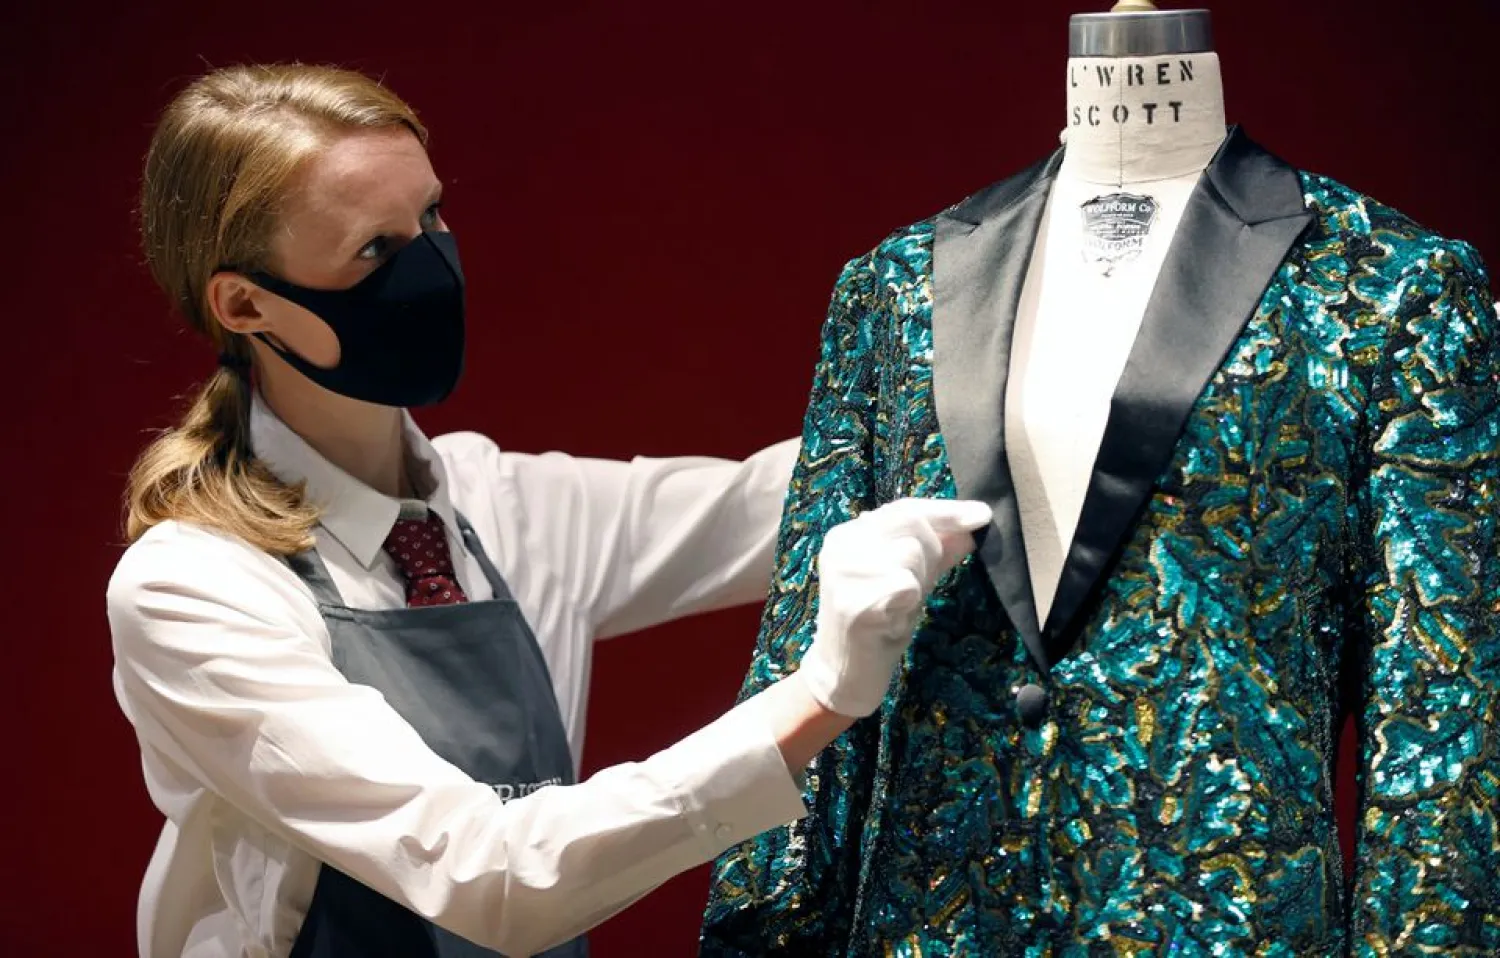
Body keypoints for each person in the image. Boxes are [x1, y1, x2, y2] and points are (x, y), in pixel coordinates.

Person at [105, 62, 991, 958]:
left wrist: (1019, 370)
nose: (431, 265)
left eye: (434, 217)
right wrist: (818, 697)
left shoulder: (505, 505)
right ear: (246, 303)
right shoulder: (193, 587)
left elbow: (801, 491)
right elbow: (484, 875)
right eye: (376, 250)